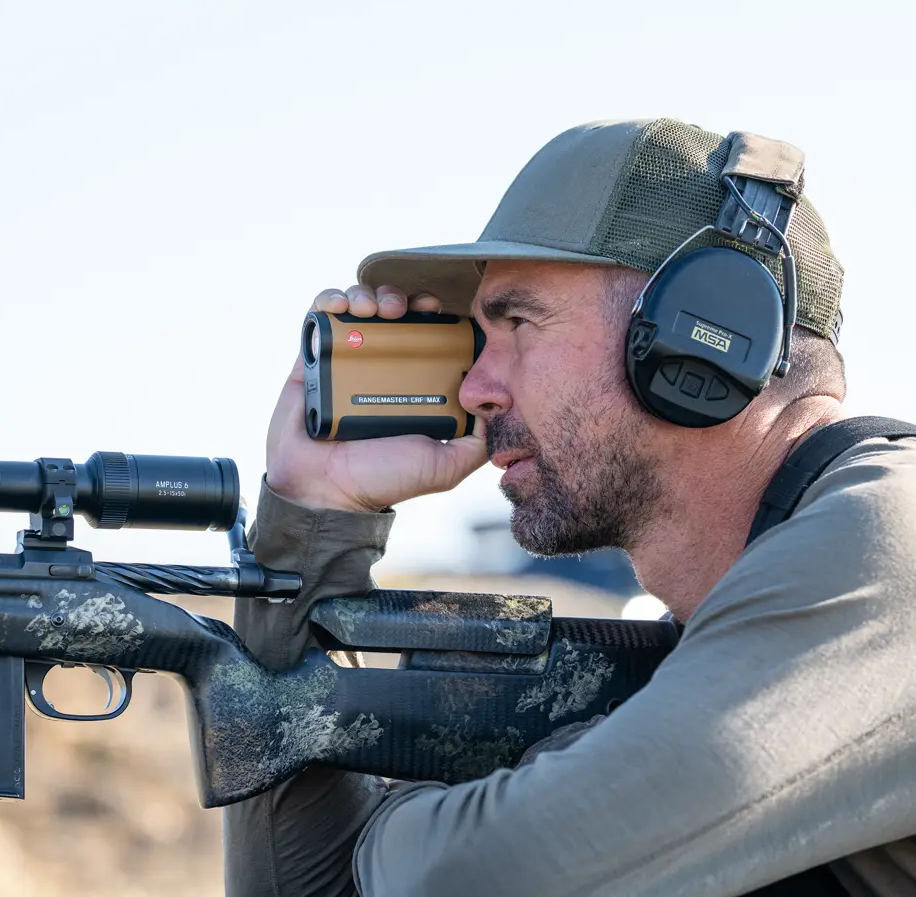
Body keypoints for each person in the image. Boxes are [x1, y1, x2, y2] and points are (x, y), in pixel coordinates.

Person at [223, 118, 916, 896]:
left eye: (517, 322)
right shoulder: (712, 632)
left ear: (703, 334)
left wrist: (405, 815)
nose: (474, 391)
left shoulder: (890, 540)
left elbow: (479, 873)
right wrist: (314, 518)